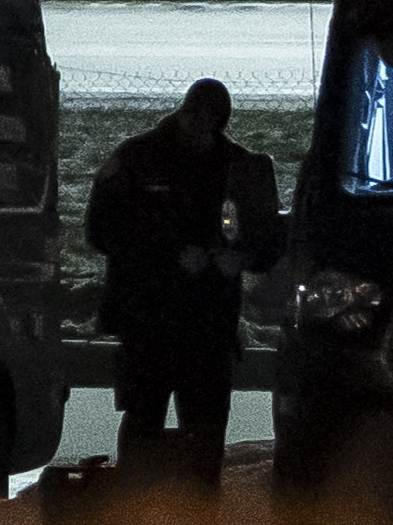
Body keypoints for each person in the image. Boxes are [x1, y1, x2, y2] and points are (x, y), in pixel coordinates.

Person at [87, 78, 282, 489]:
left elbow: (268, 239)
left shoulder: (239, 167)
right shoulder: (136, 159)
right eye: (196, 117)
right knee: (145, 424)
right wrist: (169, 257)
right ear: (184, 112)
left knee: (205, 428)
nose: (201, 129)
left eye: (212, 122)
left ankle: (196, 513)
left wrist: (239, 257)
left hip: (207, 324)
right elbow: (102, 229)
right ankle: (140, 510)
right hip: (148, 319)